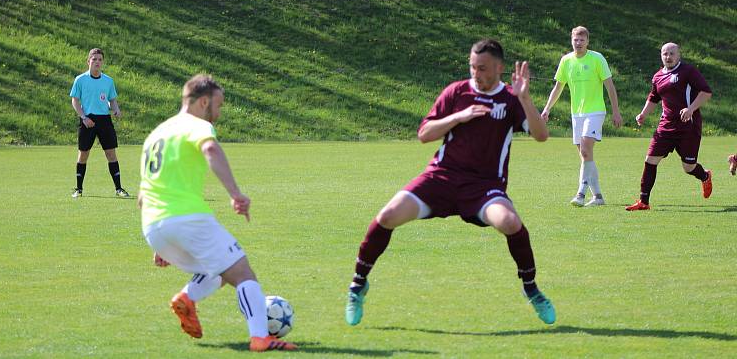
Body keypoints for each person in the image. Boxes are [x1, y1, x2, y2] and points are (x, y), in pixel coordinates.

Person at [344, 39, 556, 327]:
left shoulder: (510, 99)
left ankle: (531, 288)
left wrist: (526, 99)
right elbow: (424, 134)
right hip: (441, 177)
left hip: (483, 186)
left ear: (499, 68)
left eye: (482, 68)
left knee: (510, 222)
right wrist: (459, 116)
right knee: (387, 216)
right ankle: (358, 285)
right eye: (472, 66)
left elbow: (541, 135)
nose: (475, 73)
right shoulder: (457, 92)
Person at [138, 74, 297, 353]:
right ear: (203, 101)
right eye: (218, 105)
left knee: (221, 266)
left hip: (153, 225)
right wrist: (236, 194)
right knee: (243, 272)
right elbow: (210, 149)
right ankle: (260, 337)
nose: (219, 113)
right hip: (187, 218)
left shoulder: (156, 134)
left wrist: (163, 243)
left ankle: (187, 298)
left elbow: (142, 195)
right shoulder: (196, 125)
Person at [541, 26, 623, 207]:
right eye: (575, 40)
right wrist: (547, 109)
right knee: (586, 156)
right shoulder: (566, 61)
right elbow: (558, 87)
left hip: (595, 111)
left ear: (588, 41)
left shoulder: (597, 59)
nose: (578, 43)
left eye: (582, 40)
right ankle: (599, 197)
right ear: (571, 40)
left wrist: (616, 111)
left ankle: (580, 194)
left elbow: (610, 86)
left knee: (585, 150)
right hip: (576, 114)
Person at [626, 43, 713, 210]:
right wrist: (643, 114)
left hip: (688, 127)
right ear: (661, 56)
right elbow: (654, 97)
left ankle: (704, 176)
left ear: (678, 55)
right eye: (665, 53)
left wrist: (690, 109)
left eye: (672, 53)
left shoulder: (688, 71)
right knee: (650, 160)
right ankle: (644, 202)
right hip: (665, 127)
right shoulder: (658, 76)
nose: (668, 56)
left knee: (688, 167)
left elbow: (705, 92)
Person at [69, 48, 129, 198]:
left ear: (102, 62)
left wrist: (116, 109)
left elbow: (112, 99)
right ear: (88, 61)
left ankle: (119, 189)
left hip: (104, 121)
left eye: (100, 59)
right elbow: (75, 100)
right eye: (94, 59)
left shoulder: (108, 81)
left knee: (111, 154)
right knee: (83, 155)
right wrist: (83, 117)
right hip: (87, 119)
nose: (97, 62)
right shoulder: (80, 80)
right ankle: (78, 189)